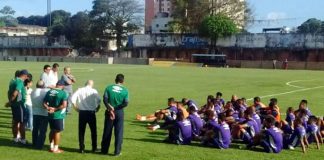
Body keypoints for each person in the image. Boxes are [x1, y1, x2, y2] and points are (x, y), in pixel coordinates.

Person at [101, 74, 129, 156]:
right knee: (119, 132)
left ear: (115, 80)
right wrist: (116, 108)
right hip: (119, 112)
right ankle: (117, 152)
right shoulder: (125, 90)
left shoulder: (108, 88)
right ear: (123, 81)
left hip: (109, 111)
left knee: (107, 131)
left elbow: (105, 99)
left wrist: (110, 108)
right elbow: (126, 103)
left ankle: (104, 150)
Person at [71, 80, 101, 153]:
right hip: (91, 113)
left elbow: (72, 99)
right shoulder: (93, 90)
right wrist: (97, 107)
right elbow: (99, 100)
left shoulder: (80, 90)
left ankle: (81, 148)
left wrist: (76, 108)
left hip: (82, 113)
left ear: (85, 84)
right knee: (93, 131)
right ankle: (94, 147)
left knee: (81, 131)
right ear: (91, 84)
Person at [43, 80, 68, 153]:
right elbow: (64, 105)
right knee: (57, 131)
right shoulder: (63, 93)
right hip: (58, 115)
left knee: (52, 130)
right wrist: (55, 109)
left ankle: (51, 146)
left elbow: (44, 102)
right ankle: (56, 148)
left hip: (50, 114)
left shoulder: (49, 92)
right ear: (62, 86)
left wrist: (48, 108)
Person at [7, 69, 30, 144]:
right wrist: (10, 101)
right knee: (22, 122)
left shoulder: (13, 80)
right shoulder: (20, 82)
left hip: (14, 105)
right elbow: (15, 93)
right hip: (19, 105)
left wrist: (11, 102)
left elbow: (9, 92)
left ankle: (15, 138)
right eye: (26, 76)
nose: (27, 78)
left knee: (15, 121)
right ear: (24, 76)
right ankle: (22, 140)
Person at [31, 80, 49, 149]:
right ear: (43, 86)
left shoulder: (33, 91)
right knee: (42, 131)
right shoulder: (45, 92)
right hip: (44, 113)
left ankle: (34, 143)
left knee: (35, 129)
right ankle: (40, 145)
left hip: (35, 112)